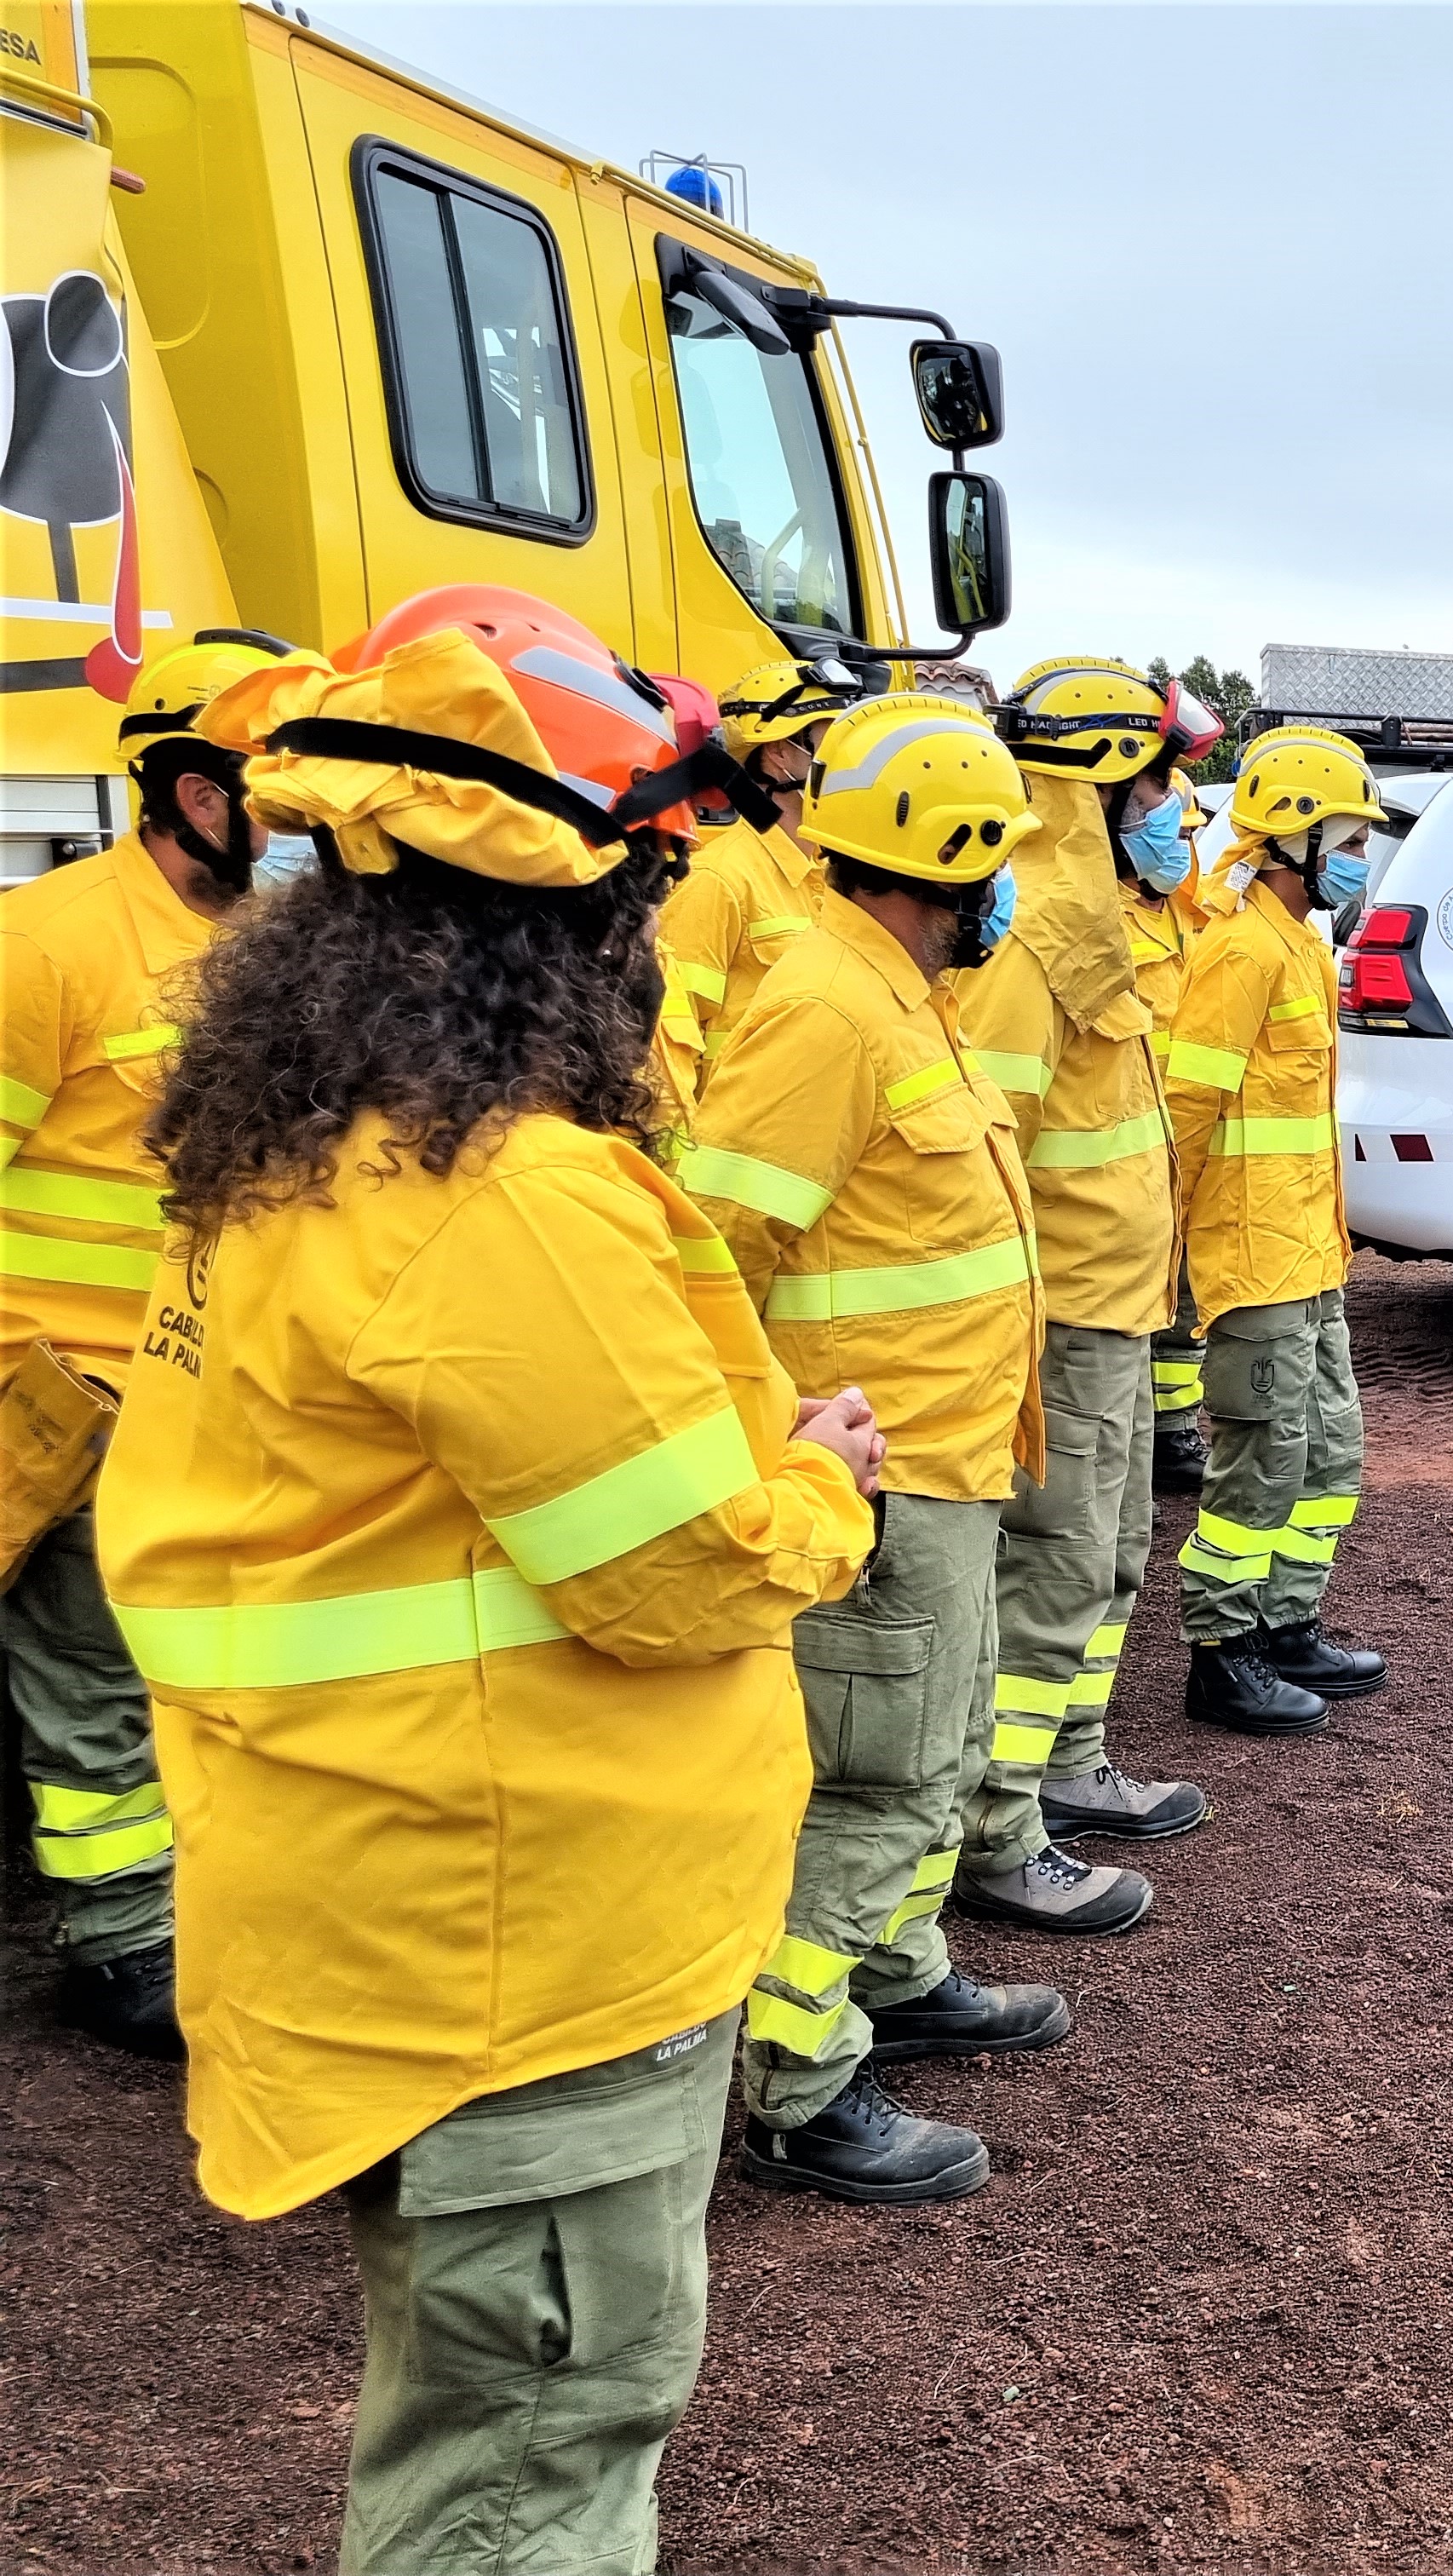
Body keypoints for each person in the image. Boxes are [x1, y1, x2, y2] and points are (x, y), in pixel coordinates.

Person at [102, 596, 877, 2567]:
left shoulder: (305, 1142)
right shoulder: (502, 1189)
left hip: (404, 1896)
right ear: (565, 912)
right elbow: (678, 1571)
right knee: (533, 2451)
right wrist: (823, 1492)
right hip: (518, 1954)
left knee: (477, 2422)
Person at [685, 689, 1085, 2204]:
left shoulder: (895, 988)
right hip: (878, 1475)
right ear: (955, 852)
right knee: (875, 1781)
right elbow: (709, 1246)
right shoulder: (825, 1004)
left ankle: (898, 1974)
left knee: (931, 1755)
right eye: (1002, 859)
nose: (1012, 886)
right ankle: (802, 2082)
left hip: (947, 1464)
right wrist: (770, 1430)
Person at [0, 627, 317, 2058]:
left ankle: (196, 1898)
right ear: (202, 793)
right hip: (80, 1384)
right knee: (93, 1672)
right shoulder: (50, 943)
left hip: (227, 1384)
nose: (316, 827)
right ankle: (120, 1933)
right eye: (290, 790)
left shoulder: (275, 958)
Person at [951, 660, 1213, 1929]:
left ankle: (1066, 1766)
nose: (1182, 813)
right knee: (1055, 1564)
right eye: (1166, 784)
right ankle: (1001, 1825)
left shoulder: (1089, 911)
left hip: (1112, 1305)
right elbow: (984, 1143)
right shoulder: (1043, 926)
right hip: (1059, 1315)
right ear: (1109, 783)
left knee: (1106, 1558)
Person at [1165, 727, 1393, 1728]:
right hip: (1253, 1253)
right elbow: (1186, 1113)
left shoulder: (1300, 941)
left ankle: (1287, 1623)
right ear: (1294, 839)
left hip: (1309, 1249)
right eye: (1347, 839)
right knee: (1261, 1451)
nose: (1359, 856)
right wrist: (1164, 1245)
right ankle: (1221, 1652)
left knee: (1328, 1449)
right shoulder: (1240, 947)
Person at [1100, 674, 1225, 1498]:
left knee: (1183, 1308)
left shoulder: (1188, 908)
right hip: (1125, 1155)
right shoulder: (1095, 921)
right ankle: (1138, 1437)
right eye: (1158, 819)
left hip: (1184, 1146)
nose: (1175, 839)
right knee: (1127, 1314)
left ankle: (1172, 1432)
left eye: (1183, 825)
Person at [654, 656, 863, 1103]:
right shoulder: (719, 880)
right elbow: (669, 1046)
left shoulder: (838, 874)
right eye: (835, 743)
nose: (854, 762)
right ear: (780, 753)